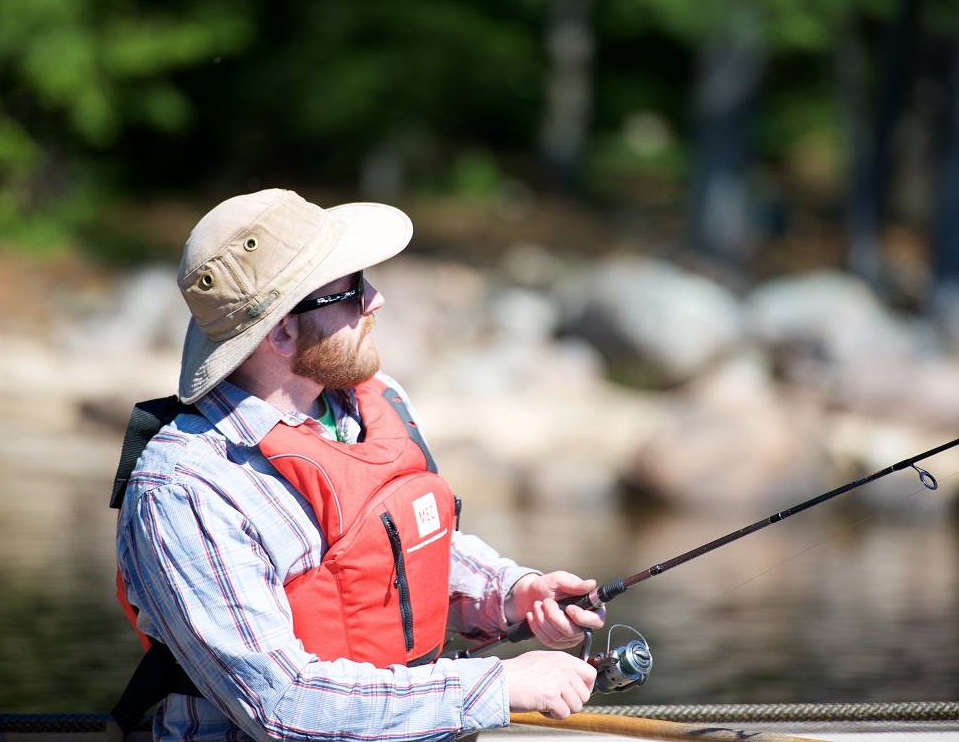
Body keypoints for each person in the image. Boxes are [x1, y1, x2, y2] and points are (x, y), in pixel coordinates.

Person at [113, 188, 604, 742]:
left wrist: (511, 593)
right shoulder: (187, 487)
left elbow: (400, 547)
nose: (376, 299)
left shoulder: (371, 399)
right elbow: (282, 705)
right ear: (282, 332)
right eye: (350, 290)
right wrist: (495, 685)